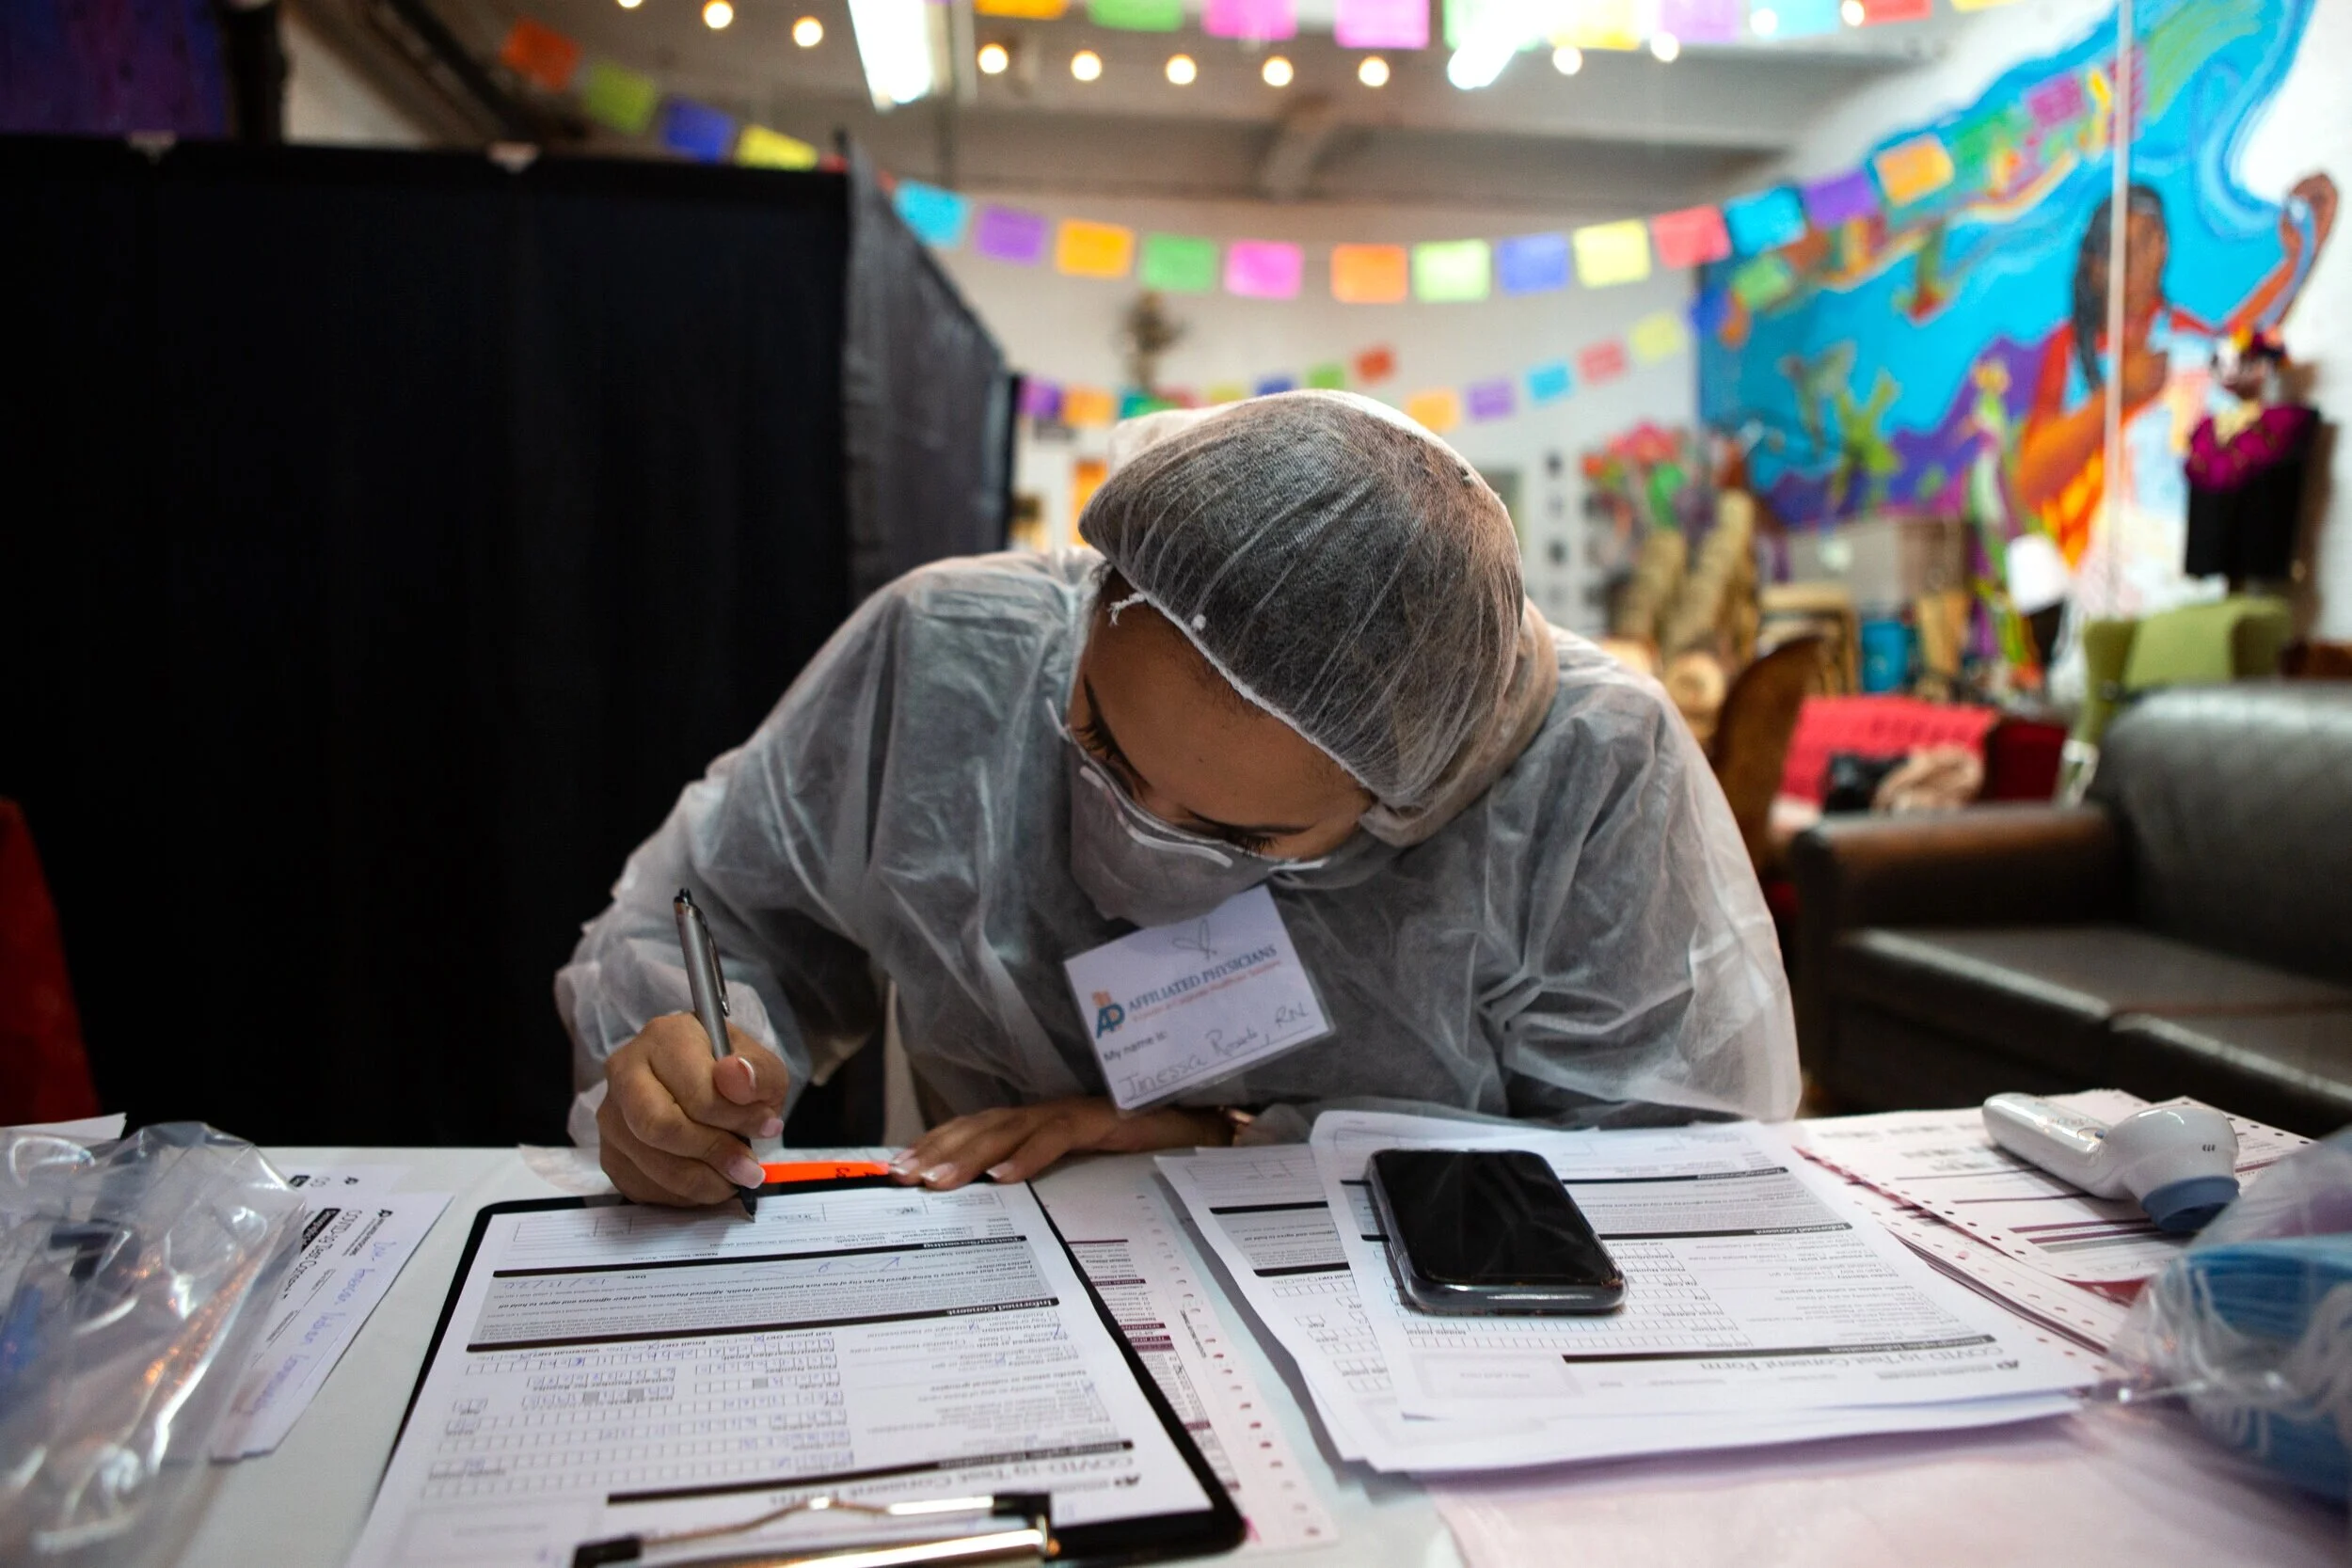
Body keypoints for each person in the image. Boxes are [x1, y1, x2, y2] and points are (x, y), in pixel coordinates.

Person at [556, 391, 1799, 1208]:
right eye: (1096, 740)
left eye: (1242, 838)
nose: (1139, 845)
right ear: (1094, 602)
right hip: (1006, 1268)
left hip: (1408, 1361)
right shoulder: (953, 658)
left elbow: (1673, 1172)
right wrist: (680, 1069)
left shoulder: (1582, 771)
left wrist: (1248, 1144)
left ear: (1417, 797)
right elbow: (727, 904)